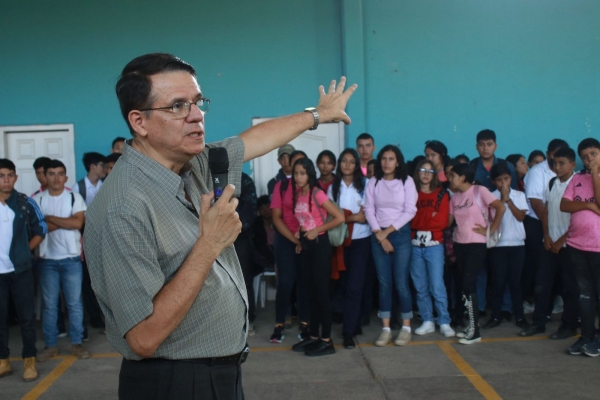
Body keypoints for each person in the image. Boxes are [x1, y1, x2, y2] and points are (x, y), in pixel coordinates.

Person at [83, 53, 357, 399]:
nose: (197, 116)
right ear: (139, 122)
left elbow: (253, 140)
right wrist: (208, 246)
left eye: (198, 102)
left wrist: (318, 115)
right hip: (175, 382)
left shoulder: (191, 163)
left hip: (218, 373)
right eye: (178, 106)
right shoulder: (124, 205)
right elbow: (143, 338)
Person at [33, 160, 91, 361]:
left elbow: (77, 222)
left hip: (71, 259)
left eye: (60, 174)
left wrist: (50, 218)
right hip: (47, 260)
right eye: (51, 174)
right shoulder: (38, 200)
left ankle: (77, 344)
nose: (56, 178)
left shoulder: (75, 197)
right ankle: (51, 346)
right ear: (44, 177)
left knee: (75, 303)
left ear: (66, 177)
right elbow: (40, 229)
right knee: (50, 306)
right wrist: (64, 222)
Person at [519, 147, 579, 340]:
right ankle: (538, 323)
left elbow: (579, 219)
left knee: (569, 287)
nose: (557, 167)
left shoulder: (578, 184)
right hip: (549, 243)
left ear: (572, 165)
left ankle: (569, 325)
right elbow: (546, 212)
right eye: (554, 163)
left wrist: (561, 241)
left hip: (569, 245)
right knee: (542, 284)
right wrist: (546, 236)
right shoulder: (552, 183)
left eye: (562, 163)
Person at [290, 158, 344, 356]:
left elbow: (339, 217)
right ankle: (313, 337)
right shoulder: (299, 193)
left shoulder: (317, 193)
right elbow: (305, 218)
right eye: (296, 173)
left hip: (320, 245)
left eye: (302, 173)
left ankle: (327, 340)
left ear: (309, 174)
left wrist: (316, 230)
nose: (298, 177)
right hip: (306, 245)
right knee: (310, 292)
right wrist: (300, 234)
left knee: (321, 294)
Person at [364, 145, 417, 347]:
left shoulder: (407, 181)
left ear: (398, 162)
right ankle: (386, 329)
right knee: (384, 283)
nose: (386, 162)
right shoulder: (373, 182)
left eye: (391, 159)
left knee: (401, 283)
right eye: (384, 158)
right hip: (379, 236)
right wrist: (380, 234)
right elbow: (369, 209)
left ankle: (405, 328)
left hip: (400, 235)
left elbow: (410, 211)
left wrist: (387, 232)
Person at [447, 163, 505, 344]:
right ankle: (471, 326)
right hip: (459, 243)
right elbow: (448, 222)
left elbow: (500, 208)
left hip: (476, 244)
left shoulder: (479, 191)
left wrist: (490, 230)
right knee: (464, 286)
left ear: (463, 177)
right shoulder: (454, 198)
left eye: (453, 175)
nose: (450, 179)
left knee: (468, 283)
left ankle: (475, 331)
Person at [0, 159, 47, 382]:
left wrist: (24, 251)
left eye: (10, 175)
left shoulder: (25, 203)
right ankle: (3, 360)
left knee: (26, 319)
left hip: (21, 271)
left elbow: (41, 229)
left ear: (16, 178)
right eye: (1, 176)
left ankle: (30, 360)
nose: (6, 180)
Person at [560, 138, 600, 356]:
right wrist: (587, 204)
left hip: (598, 247)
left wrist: (595, 175)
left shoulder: (593, 177)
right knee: (584, 295)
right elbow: (564, 205)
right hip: (577, 245)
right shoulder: (577, 179)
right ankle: (586, 336)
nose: (589, 159)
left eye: (593, 154)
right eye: (585, 156)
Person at [328, 148, 370, 349]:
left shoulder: (366, 185)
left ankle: (347, 332)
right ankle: (353, 322)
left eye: (351, 161)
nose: (347, 165)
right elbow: (331, 216)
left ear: (356, 165)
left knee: (355, 286)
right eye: (344, 161)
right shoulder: (332, 188)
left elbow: (368, 215)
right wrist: (353, 217)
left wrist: (345, 216)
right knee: (343, 284)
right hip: (339, 242)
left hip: (361, 241)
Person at [409, 159, 455, 338]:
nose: (426, 174)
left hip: (435, 246)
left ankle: (444, 320)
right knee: (420, 285)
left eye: (430, 171)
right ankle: (427, 319)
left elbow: (442, 222)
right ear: (417, 172)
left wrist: (420, 218)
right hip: (414, 246)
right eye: (422, 170)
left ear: (435, 174)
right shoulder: (411, 194)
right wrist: (429, 215)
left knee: (437, 285)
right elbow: (409, 220)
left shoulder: (441, 194)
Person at [522, 139, 568, 309]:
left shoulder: (569, 173)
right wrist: (548, 228)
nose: (558, 160)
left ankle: (555, 299)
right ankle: (530, 299)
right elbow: (536, 203)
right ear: (549, 154)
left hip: (560, 227)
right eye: (555, 155)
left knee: (559, 264)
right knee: (537, 264)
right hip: (537, 223)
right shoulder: (537, 172)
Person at [483, 163, 529, 330]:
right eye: (499, 180)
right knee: (498, 282)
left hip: (517, 245)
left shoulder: (519, 195)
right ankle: (495, 315)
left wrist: (508, 201)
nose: (503, 183)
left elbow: (521, 217)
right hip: (498, 245)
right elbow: (492, 220)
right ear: (494, 182)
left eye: (506, 179)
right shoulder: (490, 197)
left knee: (515, 283)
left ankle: (519, 316)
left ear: (511, 179)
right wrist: (501, 202)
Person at [269, 150, 309, 343]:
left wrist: (303, 238)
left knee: (304, 283)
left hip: (307, 239)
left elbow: (317, 215)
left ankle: (305, 324)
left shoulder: (312, 188)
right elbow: (276, 218)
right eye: (295, 164)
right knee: (285, 283)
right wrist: (295, 241)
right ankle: (279, 324)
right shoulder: (281, 186)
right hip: (286, 240)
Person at [233, 173, 257, 335]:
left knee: (244, 280)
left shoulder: (245, 180)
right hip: (217, 237)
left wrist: (233, 230)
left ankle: (250, 319)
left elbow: (250, 212)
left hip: (240, 238)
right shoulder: (213, 178)